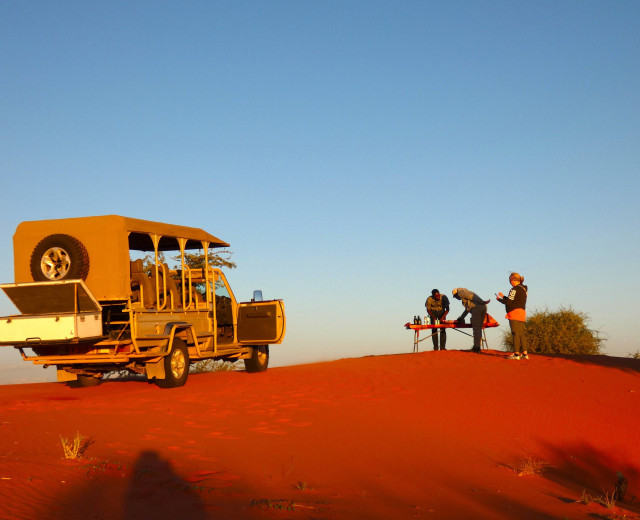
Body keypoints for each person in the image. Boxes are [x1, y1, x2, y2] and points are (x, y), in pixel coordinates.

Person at [497, 272, 528, 360]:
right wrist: (504, 296)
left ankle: (516, 354)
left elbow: (509, 302)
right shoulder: (523, 289)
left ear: (512, 280)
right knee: (521, 333)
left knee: (515, 333)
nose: (510, 282)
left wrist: (499, 299)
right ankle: (525, 354)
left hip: (514, 313)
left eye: (510, 280)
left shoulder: (514, 289)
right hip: (522, 312)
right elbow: (514, 300)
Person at [452, 288, 490, 353]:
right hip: (483, 307)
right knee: (479, 328)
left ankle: (476, 348)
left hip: (477, 308)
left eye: (455, 296)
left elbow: (471, 296)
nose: (456, 298)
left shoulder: (461, 292)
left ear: (456, 294)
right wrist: (461, 318)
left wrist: (482, 301)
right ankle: (477, 346)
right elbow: (467, 309)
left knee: (476, 329)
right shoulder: (465, 296)